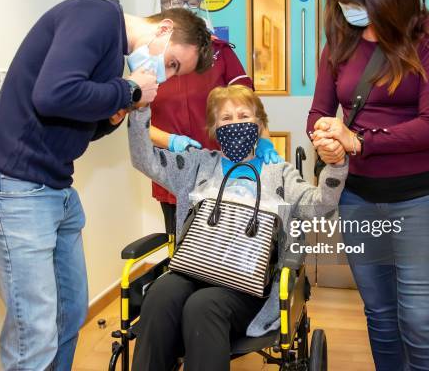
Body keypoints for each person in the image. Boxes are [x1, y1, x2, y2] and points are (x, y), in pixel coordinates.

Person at [0, 0, 213, 370]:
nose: (167, 75)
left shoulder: (115, 58)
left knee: (68, 314)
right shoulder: (96, 15)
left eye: (175, 72)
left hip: (54, 189)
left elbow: (69, 118)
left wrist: (108, 119)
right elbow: (52, 94)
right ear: (163, 29)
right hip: (12, 187)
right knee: (35, 332)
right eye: (172, 63)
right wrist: (127, 90)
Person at [128, 85, 348, 371]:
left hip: (247, 283)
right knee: (160, 293)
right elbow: (143, 159)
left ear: (259, 125)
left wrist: (336, 165)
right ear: (213, 127)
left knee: (203, 305)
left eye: (244, 116)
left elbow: (320, 206)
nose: (236, 124)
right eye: (226, 118)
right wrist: (141, 111)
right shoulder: (198, 165)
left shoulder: (277, 173)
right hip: (194, 268)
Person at [307, 0, 429, 370]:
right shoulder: (339, 40)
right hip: (358, 199)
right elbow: (319, 111)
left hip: (423, 201)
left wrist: (358, 142)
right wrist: (325, 140)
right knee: (380, 318)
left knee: (422, 325)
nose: (347, 8)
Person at [150, 0, 282, 235]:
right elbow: (138, 125)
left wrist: (264, 140)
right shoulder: (149, 59)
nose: (183, 8)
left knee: (224, 247)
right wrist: (172, 141)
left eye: (191, 1)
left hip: (223, 168)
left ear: (201, 4)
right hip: (172, 170)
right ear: (160, 9)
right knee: (182, 245)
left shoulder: (221, 52)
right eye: (173, 2)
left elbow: (249, 109)